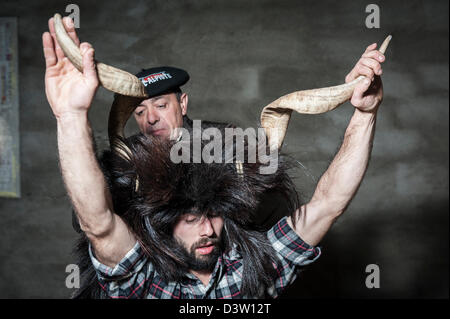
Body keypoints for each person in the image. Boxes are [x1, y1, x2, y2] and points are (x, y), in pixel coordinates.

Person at [43, 17, 386, 298]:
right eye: (141, 111)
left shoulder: (223, 147)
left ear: (183, 104)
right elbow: (96, 224)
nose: (151, 119)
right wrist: (71, 117)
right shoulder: (145, 280)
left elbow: (325, 204)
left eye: (161, 105)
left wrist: (365, 113)